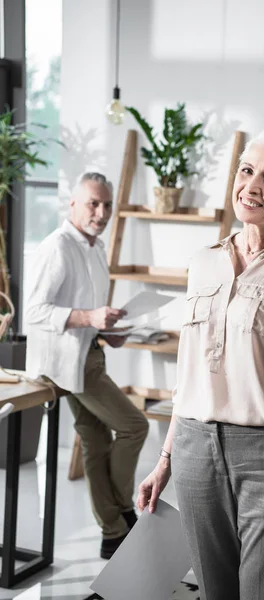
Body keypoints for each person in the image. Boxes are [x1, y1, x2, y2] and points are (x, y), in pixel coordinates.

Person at [137, 128, 264, 599]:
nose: (250, 185)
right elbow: (189, 375)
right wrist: (165, 459)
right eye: (246, 170)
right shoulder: (204, 261)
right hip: (195, 450)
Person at [26, 172, 149, 560]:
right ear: (73, 205)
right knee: (135, 426)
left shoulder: (94, 247)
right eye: (94, 203)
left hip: (88, 353)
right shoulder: (58, 247)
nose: (101, 212)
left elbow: (89, 311)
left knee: (95, 443)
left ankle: (112, 533)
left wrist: (107, 331)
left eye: (107, 205)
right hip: (67, 364)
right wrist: (89, 318)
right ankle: (124, 509)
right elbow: (34, 310)